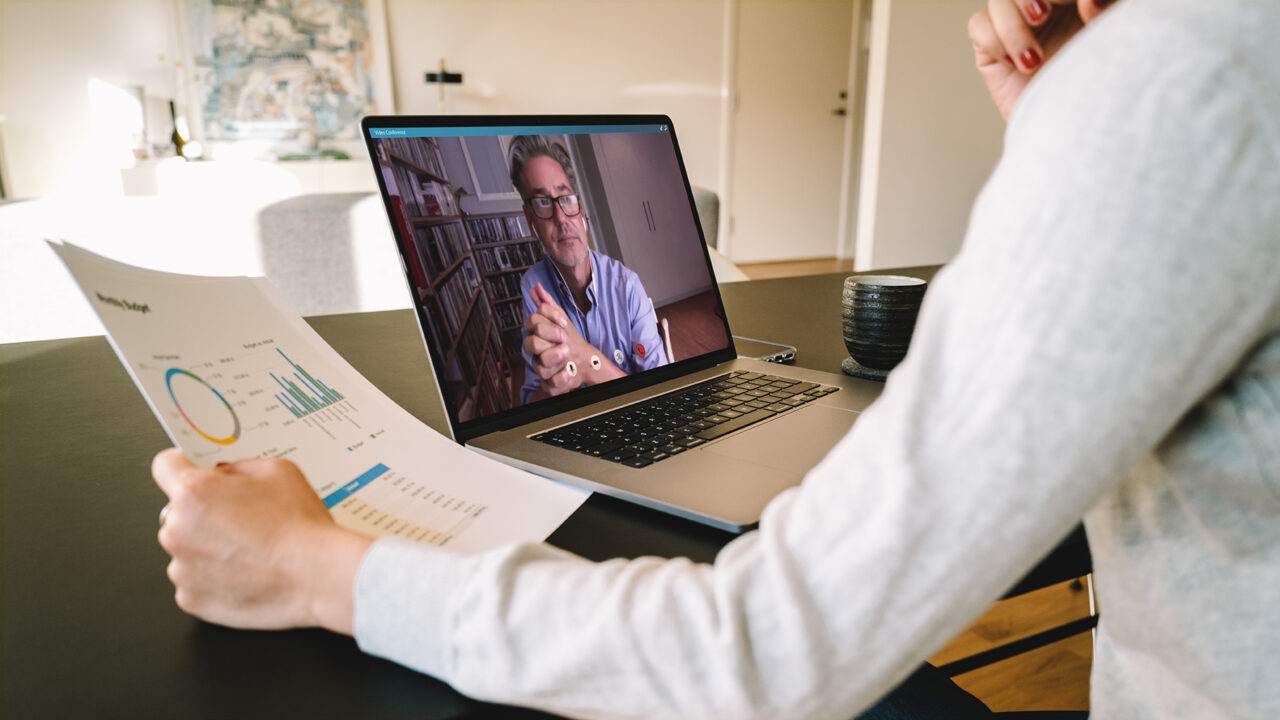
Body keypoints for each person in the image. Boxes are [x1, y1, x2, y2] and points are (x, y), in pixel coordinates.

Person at [151, 0, 1280, 717]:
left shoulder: (1187, 74)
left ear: (582, 210)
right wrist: (1062, 131)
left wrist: (316, 567)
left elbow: (762, 657)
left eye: (562, 203)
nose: (552, 222)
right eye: (534, 207)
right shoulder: (1204, 67)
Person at [505, 134, 669, 403]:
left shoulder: (627, 285)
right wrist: (550, 387)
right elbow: (530, 401)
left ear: (581, 211)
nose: (561, 218)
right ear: (529, 218)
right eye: (543, 202)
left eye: (565, 198)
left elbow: (662, 394)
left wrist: (587, 361)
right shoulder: (533, 286)